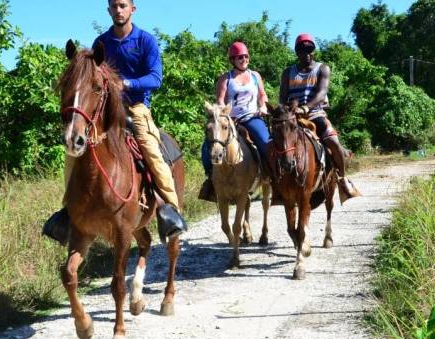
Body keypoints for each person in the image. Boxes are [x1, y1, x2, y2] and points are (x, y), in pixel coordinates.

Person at [43, 0, 186, 245]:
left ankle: (169, 210)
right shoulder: (102, 43)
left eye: (123, 5)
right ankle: (68, 211)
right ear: (108, 10)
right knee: (73, 151)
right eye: (114, 6)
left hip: (136, 109)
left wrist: (126, 84)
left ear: (132, 9)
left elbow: (156, 78)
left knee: (151, 149)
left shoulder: (146, 41)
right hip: (105, 111)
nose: (119, 10)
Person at [279, 33, 361, 203]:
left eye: (309, 49)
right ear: (297, 52)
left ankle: (342, 179)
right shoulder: (288, 73)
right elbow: (282, 97)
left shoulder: (322, 69)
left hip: (315, 114)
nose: (306, 53)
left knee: (334, 143)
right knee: (275, 143)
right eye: (302, 50)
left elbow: (321, 93)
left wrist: (306, 108)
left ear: (314, 50)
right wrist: (287, 111)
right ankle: (273, 183)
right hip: (292, 116)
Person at [198, 41, 271, 202]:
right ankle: (211, 180)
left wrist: (263, 106)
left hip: (252, 117)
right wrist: (225, 114)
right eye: (239, 57)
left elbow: (262, 95)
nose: (243, 59)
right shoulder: (226, 78)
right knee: (207, 146)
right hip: (232, 120)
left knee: (266, 142)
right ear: (232, 59)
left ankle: (269, 177)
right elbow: (220, 101)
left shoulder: (255, 76)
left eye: (246, 56)